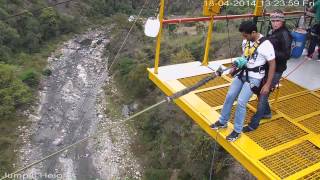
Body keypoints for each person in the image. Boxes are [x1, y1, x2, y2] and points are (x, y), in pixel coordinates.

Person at [210, 21, 276, 142]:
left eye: (246, 35)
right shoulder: (246, 41)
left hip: (255, 77)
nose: (244, 38)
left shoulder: (266, 45)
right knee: (230, 95)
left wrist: (267, 84)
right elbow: (245, 57)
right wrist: (235, 68)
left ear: (254, 32)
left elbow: (272, 65)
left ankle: (237, 131)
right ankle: (222, 121)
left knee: (241, 102)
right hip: (243, 73)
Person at [243, 10, 292, 132]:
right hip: (267, 67)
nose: (275, 23)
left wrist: (269, 53)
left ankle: (254, 123)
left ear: (283, 21)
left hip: (276, 69)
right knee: (260, 92)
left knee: (263, 94)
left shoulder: (285, 34)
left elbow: (287, 55)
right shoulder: (272, 32)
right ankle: (267, 113)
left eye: (278, 21)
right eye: (273, 20)